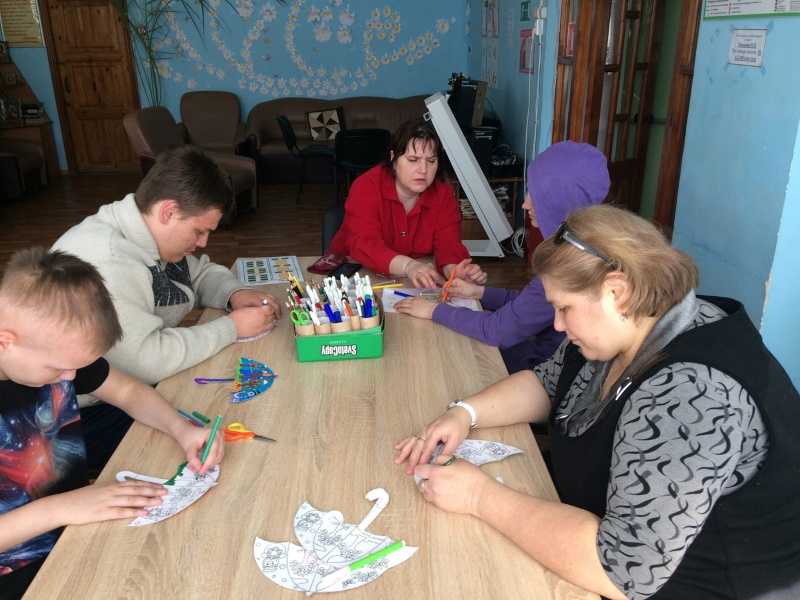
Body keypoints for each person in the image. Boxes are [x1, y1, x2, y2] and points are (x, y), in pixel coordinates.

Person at [395, 205, 800, 600]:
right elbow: (548, 383)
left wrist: (478, 497)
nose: (557, 324)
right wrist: (464, 413)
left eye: (564, 308)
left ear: (616, 291)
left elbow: (623, 571)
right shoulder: (630, 325)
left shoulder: (691, 393)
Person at [0, 249, 224, 600]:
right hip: (17, 566)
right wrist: (63, 507)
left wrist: (181, 429)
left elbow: (127, 391)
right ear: (6, 341)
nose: (70, 377)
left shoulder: (56, 353)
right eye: (59, 369)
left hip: (75, 521)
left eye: (77, 367)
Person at [52, 146, 279, 471]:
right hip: (80, 418)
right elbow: (147, 362)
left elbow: (198, 273)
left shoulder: (151, 234)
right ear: (168, 212)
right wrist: (233, 327)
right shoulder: (108, 261)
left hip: (127, 388)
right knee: (226, 432)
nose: (203, 243)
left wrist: (234, 294)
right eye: (199, 231)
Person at [395, 141, 609, 372]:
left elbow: (497, 331)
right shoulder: (584, 246)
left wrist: (433, 310)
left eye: (535, 194)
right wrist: (479, 293)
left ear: (559, 199)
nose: (525, 204)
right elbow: (529, 303)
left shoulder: (565, 267)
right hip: (540, 353)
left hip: (542, 368)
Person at [327, 118, 487, 288]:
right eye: (413, 160)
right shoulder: (366, 186)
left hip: (415, 278)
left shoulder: (443, 193)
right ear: (393, 158)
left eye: (431, 161)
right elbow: (365, 244)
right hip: (355, 276)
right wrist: (409, 266)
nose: (423, 170)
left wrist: (454, 271)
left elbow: (448, 245)